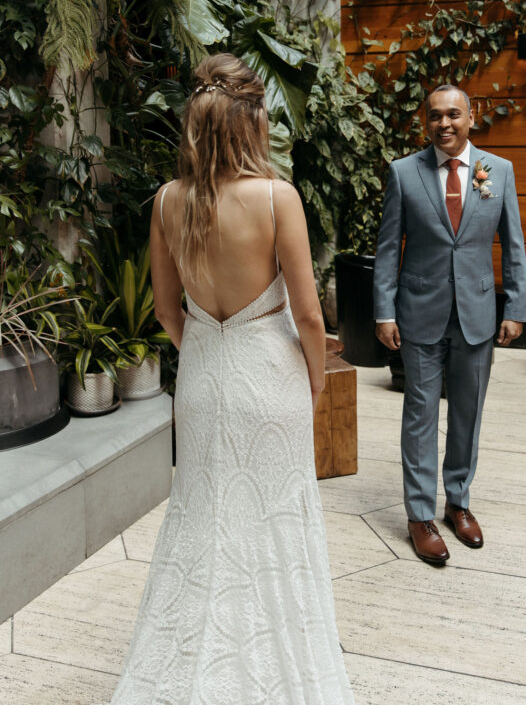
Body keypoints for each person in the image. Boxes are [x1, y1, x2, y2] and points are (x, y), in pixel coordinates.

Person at [109, 54, 354, 704]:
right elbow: (306, 313)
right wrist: (315, 380)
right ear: (251, 123)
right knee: (274, 521)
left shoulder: (168, 201)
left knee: (203, 516)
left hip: (203, 382)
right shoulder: (277, 198)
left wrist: (212, 355)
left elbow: (166, 310)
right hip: (270, 381)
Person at [373, 85, 526, 565]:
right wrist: (384, 310)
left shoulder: (498, 172)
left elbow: (514, 243)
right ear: (426, 121)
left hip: (479, 315)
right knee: (420, 416)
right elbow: (387, 248)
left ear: (471, 117)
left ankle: (458, 503)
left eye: (454, 114)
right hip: (418, 314)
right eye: (436, 115)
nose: (445, 123)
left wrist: (516, 307)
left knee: (468, 412)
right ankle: (419, 516)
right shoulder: (404, 172)